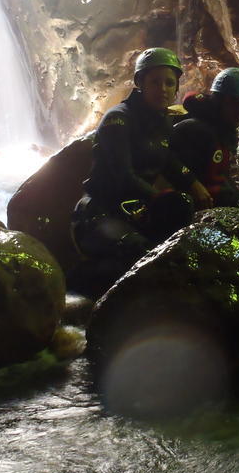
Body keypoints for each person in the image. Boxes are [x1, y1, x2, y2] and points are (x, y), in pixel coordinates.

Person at [71, 47, 212, 297]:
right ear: (139, 83)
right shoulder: (119, 120)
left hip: (135, 211)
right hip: (100, 214)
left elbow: (168, 159)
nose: (164, 89)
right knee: (141, 253)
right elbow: (123, 176)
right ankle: (78, 281)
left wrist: (194, 184)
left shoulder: (162, 122)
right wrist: (161, 197)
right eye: (155, 82)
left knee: (178, 244)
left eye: (170, 83)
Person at [170, 67, 239, 209]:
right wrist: (192, 183)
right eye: (234, 102)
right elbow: (166, 159)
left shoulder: (225, 132)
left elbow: (221, 175)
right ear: (219, 100)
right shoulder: (194, 129)